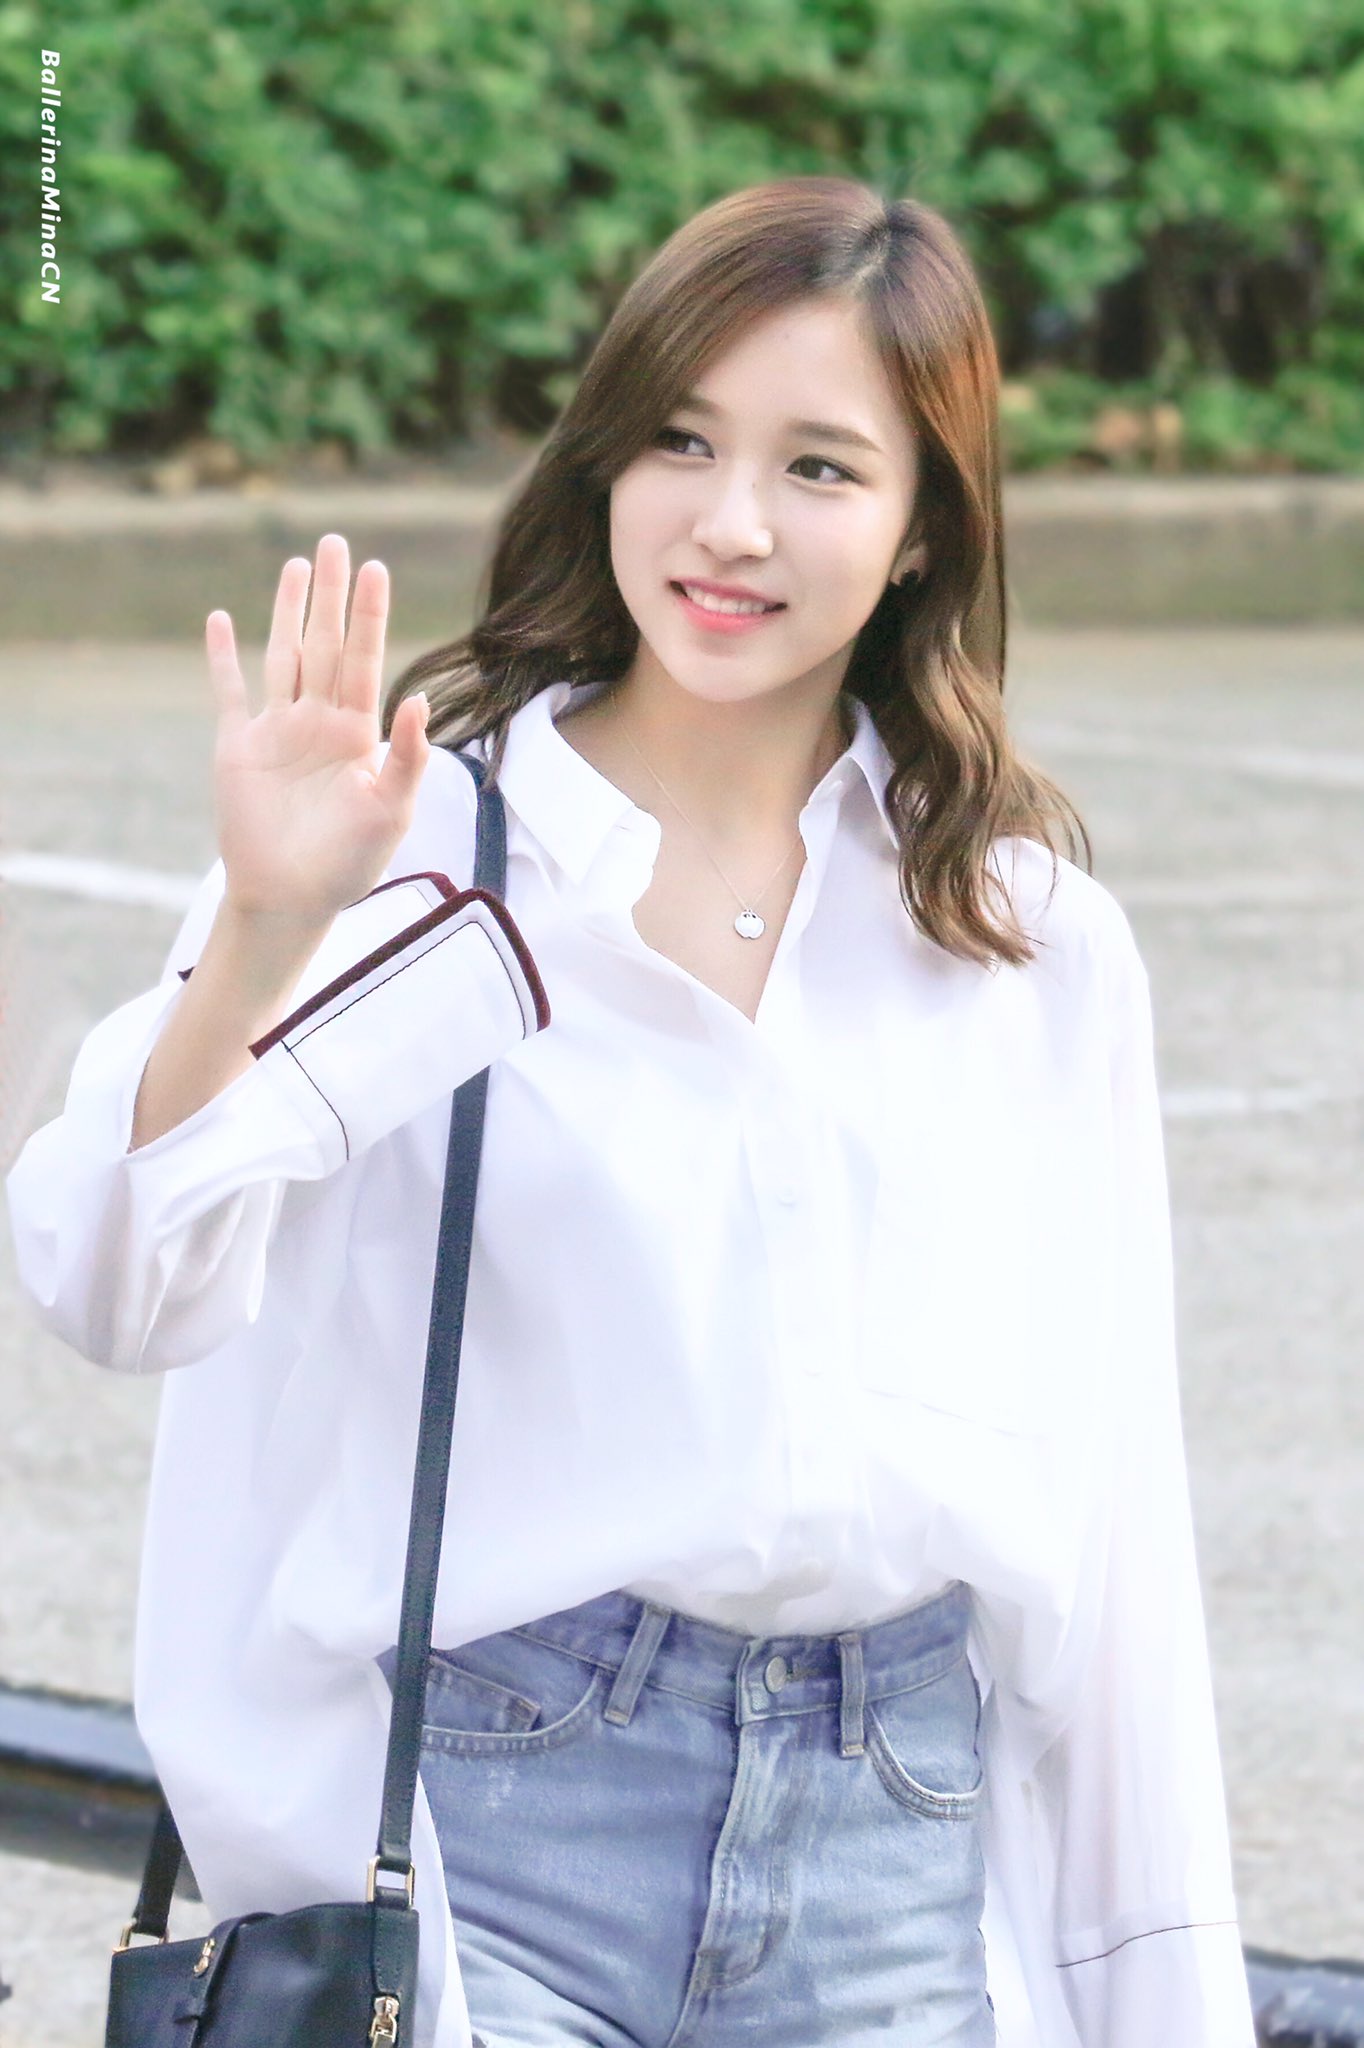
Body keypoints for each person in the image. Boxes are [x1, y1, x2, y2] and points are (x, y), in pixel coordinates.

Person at [4, 177, 1256, 2048]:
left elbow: (1115, 1536)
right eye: (682, 439)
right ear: (604, 458)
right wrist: (265, 926)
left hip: (892, 1854)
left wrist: (1160, 2000)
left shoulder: (1026, 939)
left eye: (820, 467)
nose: (731, 522)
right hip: (488, 1842)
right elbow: (116, 1283)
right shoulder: (415, 849)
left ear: (924, 526)